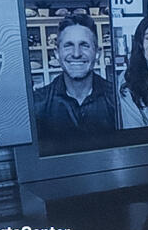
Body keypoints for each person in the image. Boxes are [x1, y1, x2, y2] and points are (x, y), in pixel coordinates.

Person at [28, 16, 119, 146]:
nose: (76, 54)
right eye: (68, 46)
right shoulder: (37, 104)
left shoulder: (118, 100)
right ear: (57, 54)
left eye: (84, 45)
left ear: (97, 53)